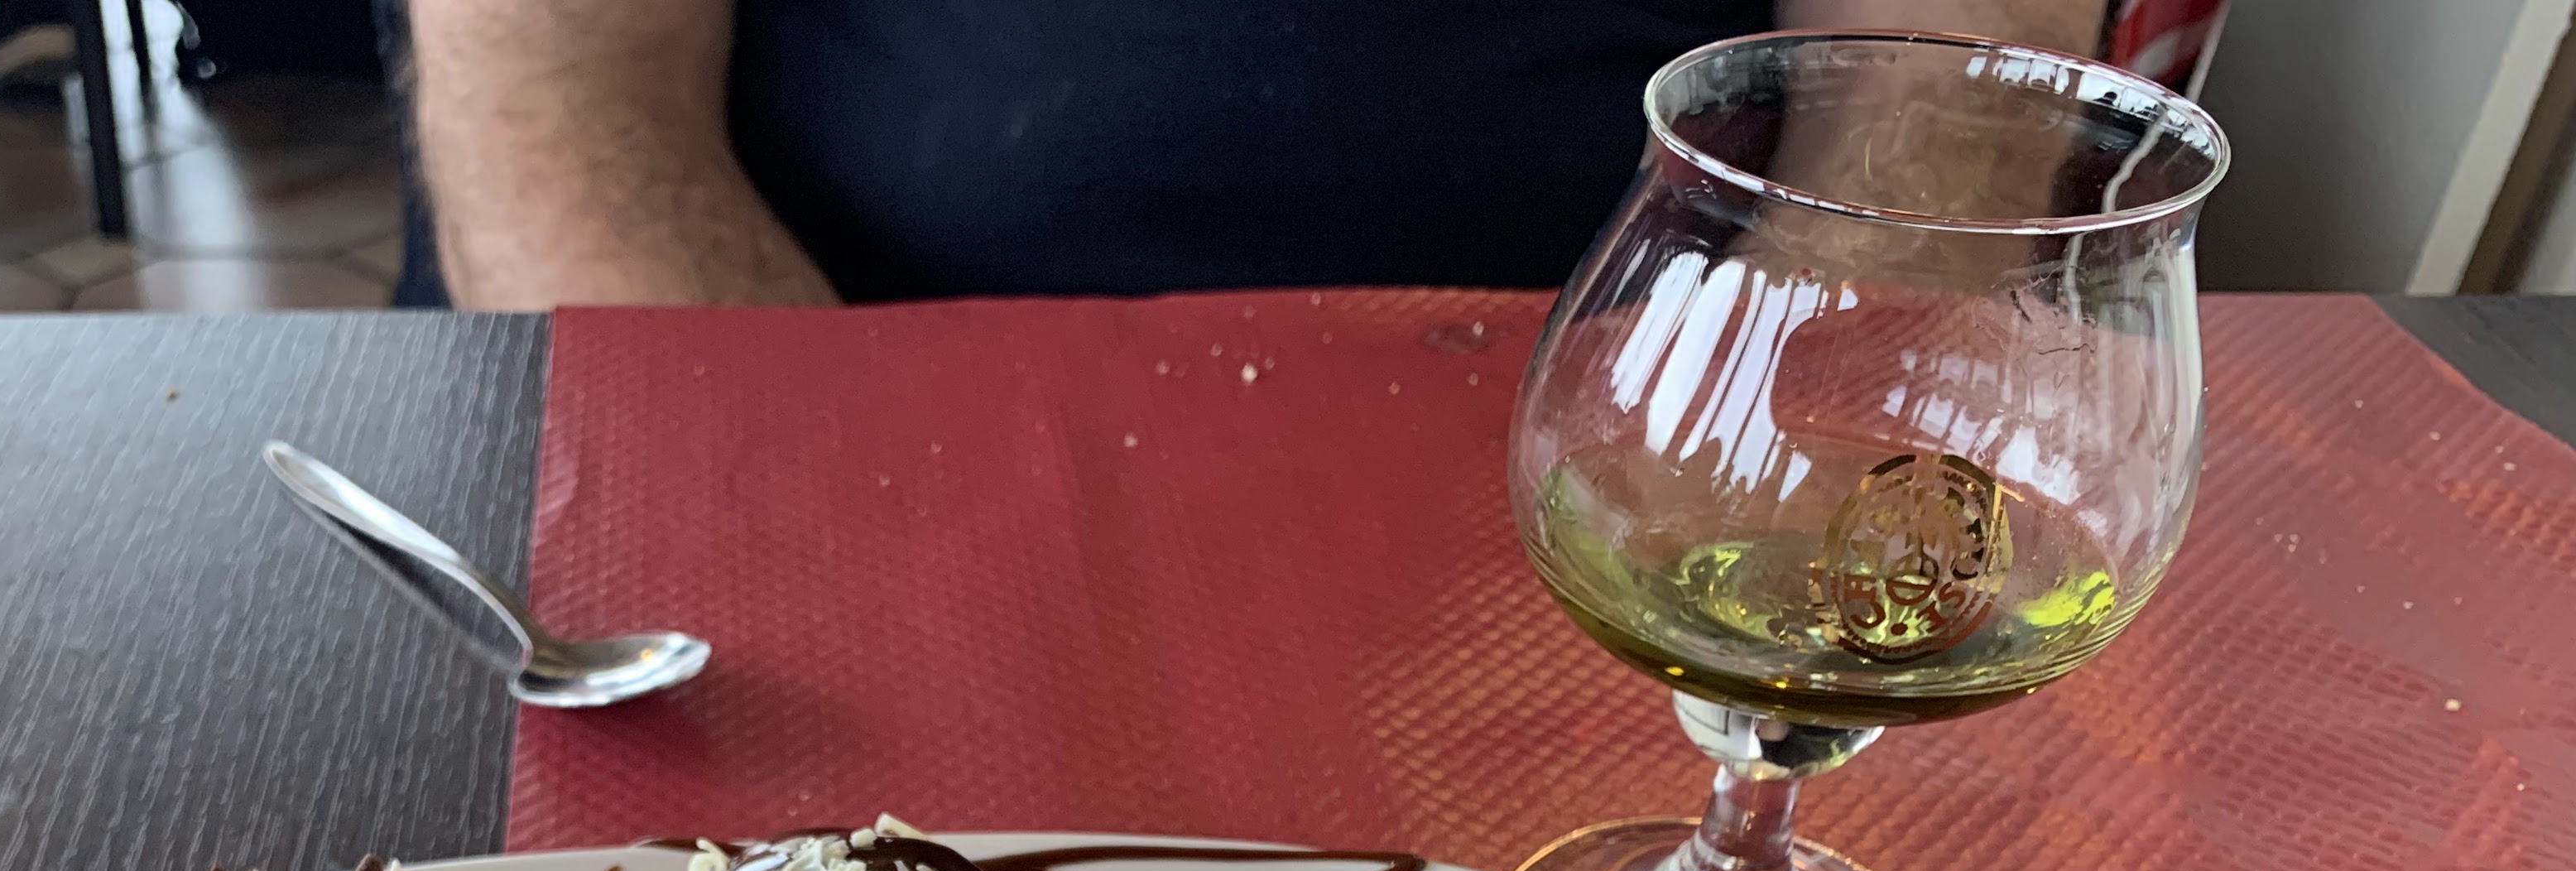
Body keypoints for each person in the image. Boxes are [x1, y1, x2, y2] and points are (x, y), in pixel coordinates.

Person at [399, 0, 2124, 310]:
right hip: (832, 371)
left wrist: (1739, 477)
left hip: (1631, 414)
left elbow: (1945, 89)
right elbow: (559, 110)